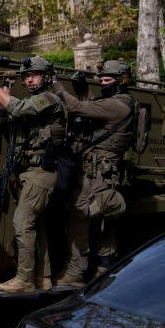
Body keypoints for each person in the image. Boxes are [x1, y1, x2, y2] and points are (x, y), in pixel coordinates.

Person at [0, 55, 66, 293]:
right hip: (29, 172)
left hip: (41, 173)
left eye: (34, 75)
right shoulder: (34, 103)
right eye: (26, 76)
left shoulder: (48, 99)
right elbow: (5, 115)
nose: (29, 80)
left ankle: (25, 279)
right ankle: (43, 277)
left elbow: (15, 107)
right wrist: (5, 87)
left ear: (47, 77)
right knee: (36, 227)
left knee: (22, 222)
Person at [53, 60, 137, 285]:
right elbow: (91, 104)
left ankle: (75, 272)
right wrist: (82, 89)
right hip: (103, 172)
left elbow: (79, 108)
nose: (103, 83)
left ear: (122, 81)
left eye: (108, 80)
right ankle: (104, 269)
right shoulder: (123, 103)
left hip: (96, 173)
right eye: (101, 80)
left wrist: (59, 88)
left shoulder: (118, 105)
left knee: (78, 218)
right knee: (102, 221)